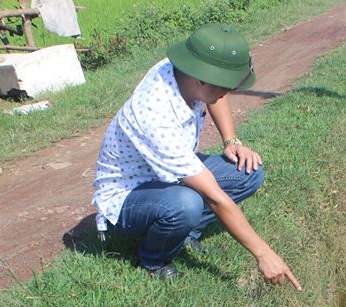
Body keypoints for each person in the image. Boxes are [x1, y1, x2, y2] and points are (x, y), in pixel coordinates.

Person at [92, 23, 301, 289]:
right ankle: (155, 261)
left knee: (248, 172)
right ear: (201, 79)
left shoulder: (186, 71)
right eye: (224, 86)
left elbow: (216, 92)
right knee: (187, 202)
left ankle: (186, 234)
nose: (227, 93)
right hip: (127, 196)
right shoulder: (156, 116)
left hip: (163, 172)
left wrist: (231, 141)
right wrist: (264, 253)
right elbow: (214, 198)